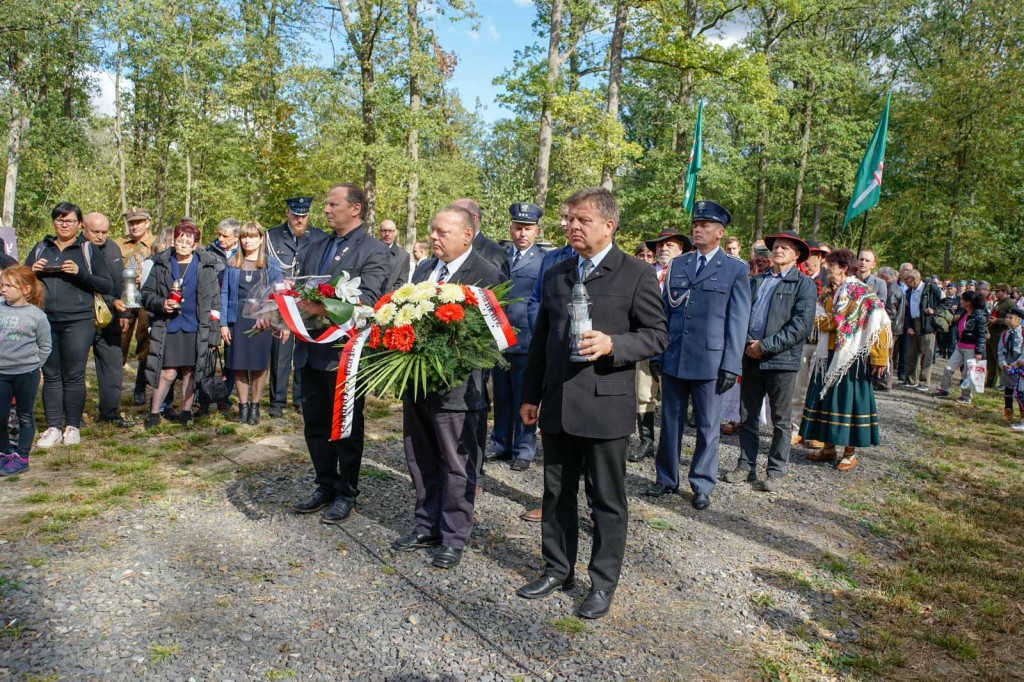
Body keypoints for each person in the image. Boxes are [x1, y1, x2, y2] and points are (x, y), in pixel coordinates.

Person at [516, 187, 667, 619]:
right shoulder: (556, 273)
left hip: (605, 405)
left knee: (606, 499)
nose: (571, 226)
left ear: (608, 225)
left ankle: (602, 583)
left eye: (582, 219)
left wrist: (613, 344)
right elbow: (542, 342)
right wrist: (530, 395)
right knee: (556, 492)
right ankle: (557, 569)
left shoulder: (636, 273)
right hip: (559, 403)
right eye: (568, 219)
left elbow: (657, 335)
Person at [391, 205, 503, 569]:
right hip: (417, 383)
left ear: (467, 235)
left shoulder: (487, 274)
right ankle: (426, 526)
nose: (433, 237)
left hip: (458, 388)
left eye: (442, 232)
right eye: (432, 230)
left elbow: (493, 336)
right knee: (420, 456)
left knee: (458, 464)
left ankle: (454, 535)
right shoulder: (425, 269)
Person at [290, 183, 389, 524]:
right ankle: (325, 484)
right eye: (327, 204)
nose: (326, 210)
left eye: (333, 204)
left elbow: (369, 301)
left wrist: (321, 308)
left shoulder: (374, 250)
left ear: (355, 208)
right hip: (310, 349)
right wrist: (281, 315)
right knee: (314, 424)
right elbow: (300, 289)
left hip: (343, 355)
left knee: (345, 426)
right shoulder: (316, 244)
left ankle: (347, 491)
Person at [645, 200, 750, 510]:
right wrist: (658, 351)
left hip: (710, 362)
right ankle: (666, 478)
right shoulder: (680, 265)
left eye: (704, 225)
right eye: (695, 225)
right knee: (670, 423)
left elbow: (738, 321)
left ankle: (702, 484)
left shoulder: (735, 269)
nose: (697, 229)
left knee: (707, 426)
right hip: (675, 357)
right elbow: (666, 313)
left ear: (720, 232)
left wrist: (731, 364)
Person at [723, 230, 815, 491]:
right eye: (776, 246)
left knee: (781, 420)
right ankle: (746, 465)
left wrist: (764, 347)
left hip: (781, 361)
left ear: (797, 255)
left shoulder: (803, 284)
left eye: (785, 247)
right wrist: (747, 345)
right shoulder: (758, 280)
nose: (778, 250)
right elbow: (740, 314)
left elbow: (800, 327)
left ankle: (775, 471)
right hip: (751, 357)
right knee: (747, 416)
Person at [26, 202, 116, 448]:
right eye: (60, 220)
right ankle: (53, 427)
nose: (64, 225)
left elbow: (107, 285)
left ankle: (72, 426)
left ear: (79, 225)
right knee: (51, 374)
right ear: (54, 222)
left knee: (74, 374)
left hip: (79, 319)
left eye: (69, 221)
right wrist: (31, 272)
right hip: (44, 319)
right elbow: (20, 281)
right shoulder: (41, 247)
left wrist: (80, 273)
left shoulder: (87, 249)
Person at [800, 249, 892, 471]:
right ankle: (828, 448)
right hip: (828, 354)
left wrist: (880, 358)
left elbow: (879, 321)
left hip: (851, 357)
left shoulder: (861, 292)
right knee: (826, 400)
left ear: (842, 267)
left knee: (848, 404)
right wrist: (819, 321)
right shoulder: (828, 292)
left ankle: (850, 453)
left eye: (830, 265)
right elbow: (821, 317)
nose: (826, 268)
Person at [141, 221, 222, 429]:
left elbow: (215, 303)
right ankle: (154, 413)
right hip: (169, 326)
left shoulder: (206, 266)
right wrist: (161, 303)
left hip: (196, 327)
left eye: (188, 241)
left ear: (195, 245)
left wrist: (214, 335)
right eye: (180, 240)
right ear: (174, 241)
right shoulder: (161, 264)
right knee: (167, 373)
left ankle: (186, 412)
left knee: (190, 372)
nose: (183, 244)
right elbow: (146, 294)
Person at [629, 228, 691, 461]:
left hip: (674, 342)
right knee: (643, 391)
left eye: (670, 245)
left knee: (672, 397)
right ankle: (646, 441)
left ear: (681, 249)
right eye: (660, 245)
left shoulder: (688, 273)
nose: (663, 248)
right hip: (645, 338)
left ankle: (670, 444)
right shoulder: (643, 271)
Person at [489, 203, 543, 471]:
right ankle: (501, 444)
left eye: (528, 229)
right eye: (518, 228)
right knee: (501, 396)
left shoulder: (543, 260)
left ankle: (524, 449)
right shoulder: (499, 257)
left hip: (526, 340)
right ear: (510, 228)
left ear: (536, 231)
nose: (522, 233)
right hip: (499, 338)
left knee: (525, 397)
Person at [220, 221, 286, 425]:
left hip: (262, 319)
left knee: (259, 365)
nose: (247, 240)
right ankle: (243, 407)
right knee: (238, 364)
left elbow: (280, 293)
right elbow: (224, 294)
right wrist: (223, 324)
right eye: (244, 237)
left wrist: (275, 319)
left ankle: (255, 407)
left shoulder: (270, 264)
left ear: (260, 239)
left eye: (252, 236)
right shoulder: (232, 264)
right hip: (237, 318)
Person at [265, 196, 325, 417]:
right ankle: (277, 401)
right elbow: (266, 269)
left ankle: (301, 399)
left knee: (304, 353)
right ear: (288, 213)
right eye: (296, 215)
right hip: (281, 303)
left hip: (307, 303)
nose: (300, 220)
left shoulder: (319, 237)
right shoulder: (271, 236)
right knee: (280, 354)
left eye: (304, 215)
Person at [82, 212, 134, 427]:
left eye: (104, 232)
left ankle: (110, 414)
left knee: (112, 367)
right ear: (83, 229)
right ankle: (73, 417)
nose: (100, 236)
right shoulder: (76, 249)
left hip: (111, 317)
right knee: (75, 370)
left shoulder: (112, 248)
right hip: (82, 317)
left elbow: (121, 282)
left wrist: (125, 313)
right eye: (95, 231)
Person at [0, 266, 51, 475]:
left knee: (25, 416)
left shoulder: (36, 316)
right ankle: (4, 453)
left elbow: (45, 346)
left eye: (8, 286)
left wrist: (32, 365)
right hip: (2, 374)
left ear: (26, 289)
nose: (3, 289)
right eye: (2, 285)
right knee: (1, 416)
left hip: (26, 374)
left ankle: (21, 457)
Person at [116, 207, 156, 406]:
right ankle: (113, 388)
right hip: (123, 297)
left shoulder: (157, 243)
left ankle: (140, 388)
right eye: (131, 223)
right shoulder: (118, 244)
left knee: (145, 341)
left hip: (146, 299)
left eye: (138, 222)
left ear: (147, 222)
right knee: (119, 340)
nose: (134, 226)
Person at [935, 291, 990, 403]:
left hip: (971, 348)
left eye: (962, 300)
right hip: (960, 345)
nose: (960, 301)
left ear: (968, 302)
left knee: (967, 373)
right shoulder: (964, 313)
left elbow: (981, 335)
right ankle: (944, 390)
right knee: (948, 368)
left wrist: (979, 351)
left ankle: (966, 396)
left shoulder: (979, 316)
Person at [451, 198, 511, 280]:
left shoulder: (495, 253)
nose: (449, 221)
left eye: (455, 217)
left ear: (473, 219)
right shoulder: (444, 248)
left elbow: (499, 286)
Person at [903, 269, 942, 391]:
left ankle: (924, 382)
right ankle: (911, 380)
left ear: (913, 279)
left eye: (906, 279)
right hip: (913, 323)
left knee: (926, 354)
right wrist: (908, 326)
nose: (904, 281)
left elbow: (945, 301)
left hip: (927, 324)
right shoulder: (909, 292)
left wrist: (934, 310)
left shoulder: (930, 288)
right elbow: (907, 311)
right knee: (911, 354)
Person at [874, 267, 905, 391]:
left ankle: (884, 382)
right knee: (887, 354)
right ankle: (882, 381)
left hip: (890, 327)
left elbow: (890, 312)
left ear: (884, 277)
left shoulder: (891, 290)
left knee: (886, 355)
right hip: (893, 327)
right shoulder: (895, 288)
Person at [997, 307, 1023, 422]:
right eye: (1006, 317)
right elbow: (1000, 350)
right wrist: (1003, 363)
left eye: (1011, 318)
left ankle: (1022, 412)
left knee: (1021, 391)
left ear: (1019, 320)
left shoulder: (1022, 333)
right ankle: (1008, 410)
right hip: (1007, 366)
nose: (1007, 320)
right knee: (1008, 389)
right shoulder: (1005, 334)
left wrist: (1015, 364)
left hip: (1020, 367)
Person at [987, 284, 1014, 388]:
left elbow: (1013, 319)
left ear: (1004, 291)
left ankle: (1003, 383)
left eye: (998, 291)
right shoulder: (999, 302)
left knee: (1000, 359)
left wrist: (997, 321)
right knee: (991, 359)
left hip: (1001, 334)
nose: (996, 293)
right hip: (992, 333)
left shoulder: (1009, 303)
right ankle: (991, 380)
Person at [378, 219, 410, 293]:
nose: (387, 234)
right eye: (384, 231)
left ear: (395, 232)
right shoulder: (370, 251)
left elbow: (401, 283)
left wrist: (386, 296)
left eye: (390, 231)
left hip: (390, 297)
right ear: (379, 232)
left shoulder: (403, 256)